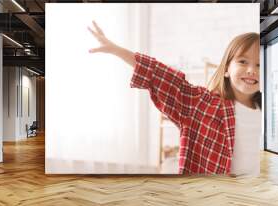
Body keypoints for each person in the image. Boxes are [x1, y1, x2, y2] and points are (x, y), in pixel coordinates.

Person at [88, 21, 261, 176]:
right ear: (226, 69)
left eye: (259, 64)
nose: (251, 70)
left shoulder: (268, 114)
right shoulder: (201, 104)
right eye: (243, 62)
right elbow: (160, 75)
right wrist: (116, 50)